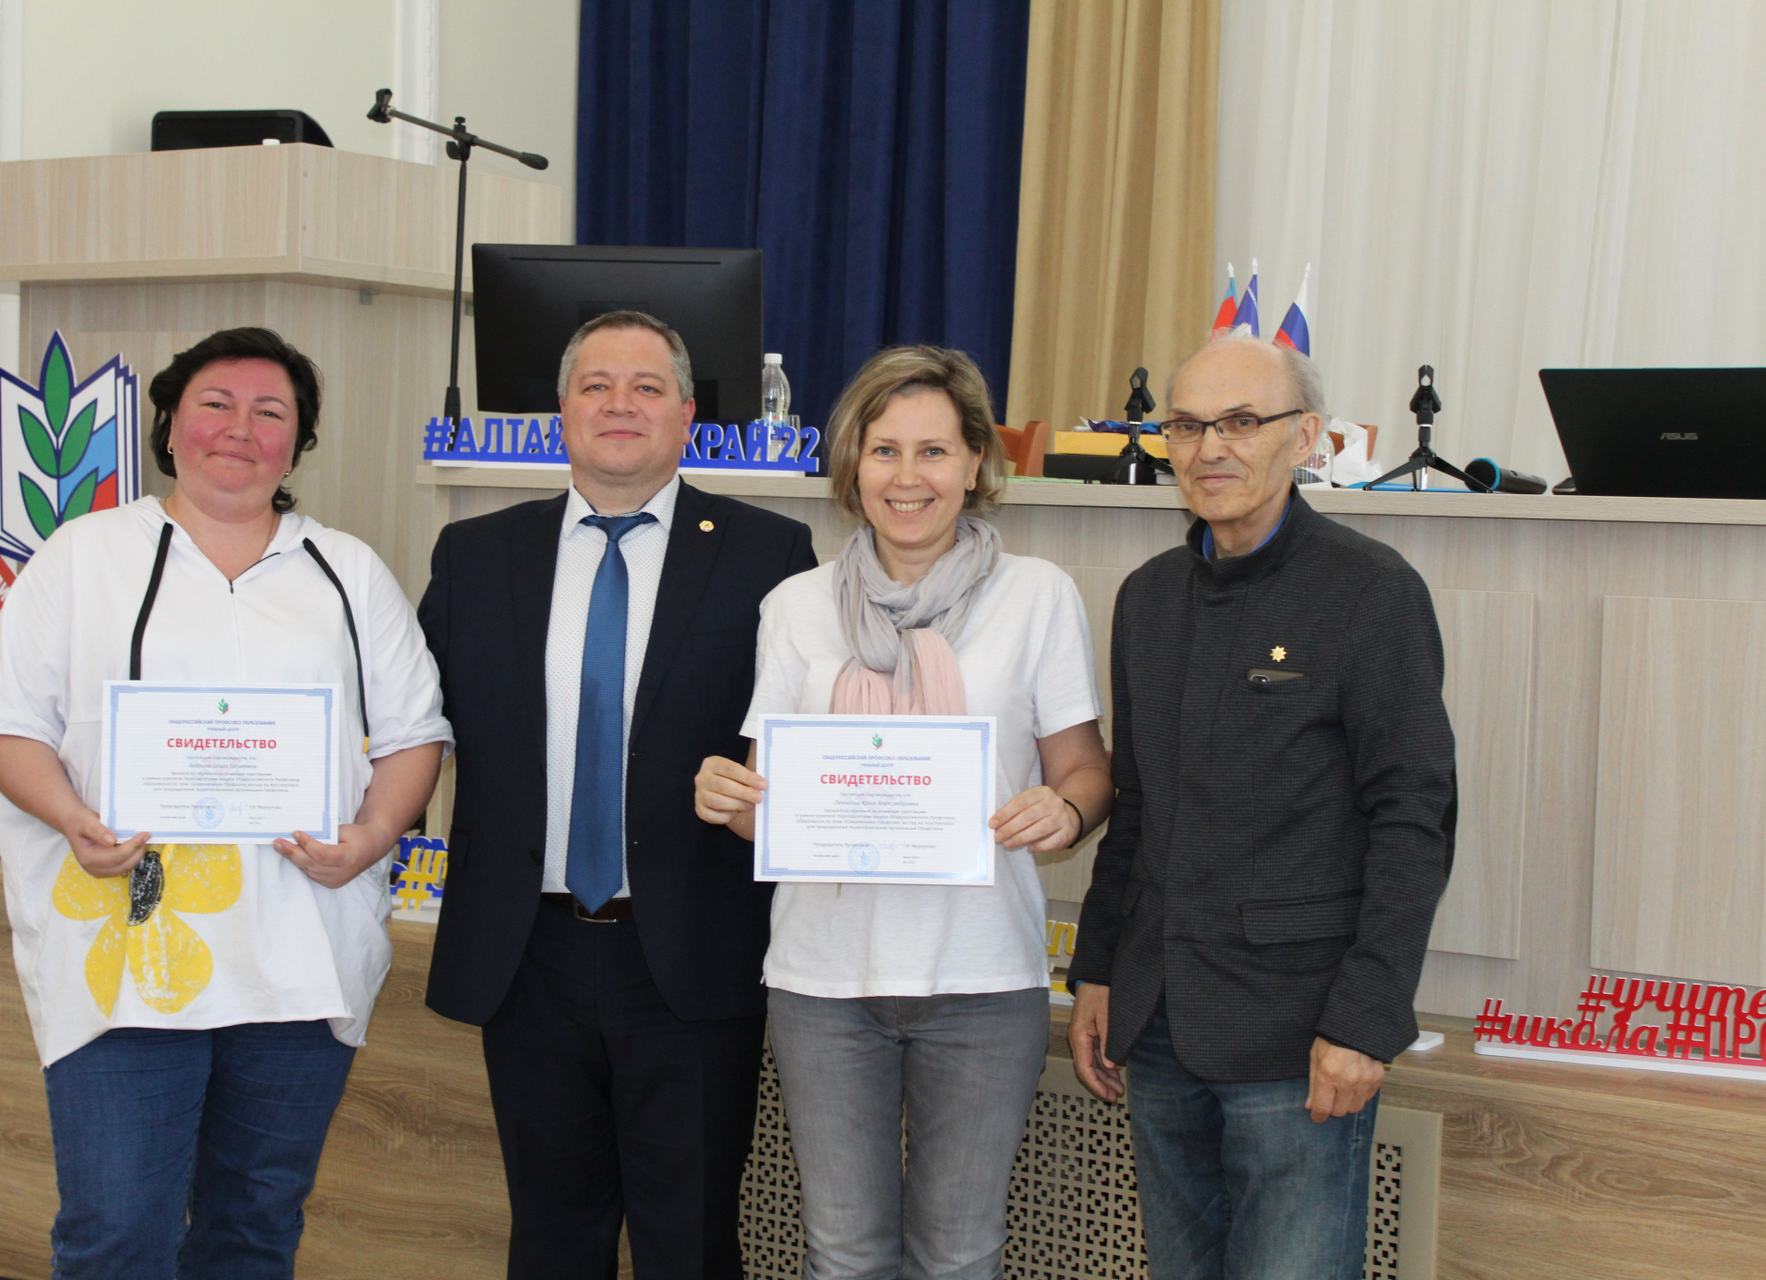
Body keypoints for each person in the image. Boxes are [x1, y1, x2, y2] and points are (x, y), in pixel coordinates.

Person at [0, 326, 451, 1279]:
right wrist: (72, 819)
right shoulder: (83, 556)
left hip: (299, 956)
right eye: (216, 405)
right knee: (116, 1233)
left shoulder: (347, 570)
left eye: (271, 412)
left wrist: (375, 834)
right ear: (171, 426)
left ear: (298, 443)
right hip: (125, 957)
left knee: (253, 1230)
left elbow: (413, 733)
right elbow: (1, 721)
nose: (240, 429)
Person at [695, 345, 1113, 1280]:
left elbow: (1087, 769)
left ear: (975, 462)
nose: (908, 476)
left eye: (934, 451)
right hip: (822, 985)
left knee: (960, 1253)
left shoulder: (1037, 596)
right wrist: (727, 799)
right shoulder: (795, 606)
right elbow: (766, 803)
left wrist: (1066, 810)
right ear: (853, 465)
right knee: (843, 1253)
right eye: (884, 450)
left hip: (983, 977)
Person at [418, 310, 817, 1280]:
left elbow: (811, 737)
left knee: (690, 1243)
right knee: (551, 1240)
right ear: (561, 411)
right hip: (530, 953)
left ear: (688, 415)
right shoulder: (475, 553)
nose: (619, 404)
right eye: (596, 385)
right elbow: (405, 722)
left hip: (692, 952)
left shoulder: (770, 553)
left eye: (647, 386)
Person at [1066, 333, 1456, 1280]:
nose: (1210, 449)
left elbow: (1414, 817)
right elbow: (1137, 803)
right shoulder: (1149, 598)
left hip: (1300, 1034)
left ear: (1305, 437)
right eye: (1187, 426)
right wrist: (1098, 972)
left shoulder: (1372, 592)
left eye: (1241, 422)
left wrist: (1366, 1019)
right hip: (1158, 1024)